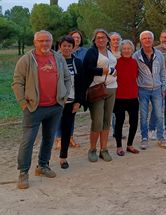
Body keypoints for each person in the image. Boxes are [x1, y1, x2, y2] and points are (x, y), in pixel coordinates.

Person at [12, 30, 71, 189]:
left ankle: (42, 166)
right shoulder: (26, 60)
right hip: (33, 108)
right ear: (35, 42)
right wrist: (23, 103)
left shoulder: (58, 58)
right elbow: (17, 83)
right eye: (41, 41)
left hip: (55, 107)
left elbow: (67, 78)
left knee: (49, 138)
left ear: (52, 42)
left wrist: (63, 98)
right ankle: (23, 173)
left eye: (47, 41)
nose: (44, 44)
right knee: (28, 141)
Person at [83, 29, 117, 163]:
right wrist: (103, 70)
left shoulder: (110, 52)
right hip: (97, 89)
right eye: (98, 38)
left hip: (112, 88)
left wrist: (113, 72)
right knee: (97, 121)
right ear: (94, 40)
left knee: (107, 120)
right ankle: (92, 149)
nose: (101, 40)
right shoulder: (92, 52)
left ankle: (104, 149)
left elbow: (113, 65)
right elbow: (87, 68)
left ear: (108, 39)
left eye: (103, 37)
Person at [133, 31, 166, 150]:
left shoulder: (159, 54)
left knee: (159, 115)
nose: (147, 40)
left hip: (157, 89)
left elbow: (163, 72)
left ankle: (161, 138)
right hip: (143, 90)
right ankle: (144, 138)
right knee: (143, 116)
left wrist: (163, 87)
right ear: (141, 41)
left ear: (153, 40)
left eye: (149, 38)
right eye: (144, 38)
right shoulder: (136, 56)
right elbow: (133, 74)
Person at [54, 30, 87, 150]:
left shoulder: (77, 62)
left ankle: (69, 138)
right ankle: (59, 139)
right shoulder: (54, 61)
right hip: (57, 98)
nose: (67, 48)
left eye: (69, 46)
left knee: (70, 119)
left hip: (72, 98)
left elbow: (81, 83)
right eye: (64, 46)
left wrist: (79, 101)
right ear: (60, 47)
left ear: (73, 47)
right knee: (58, 119)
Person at [114, 40, 140, 155]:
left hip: (133, 97)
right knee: (119, 122)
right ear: (121, 50)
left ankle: (130, 145)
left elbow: (136, 76)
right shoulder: (116, 62)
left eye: (129, 48)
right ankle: (119, 146)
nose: (126, 50)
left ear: (132, 50)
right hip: (119, 97)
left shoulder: (135, 62)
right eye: (124, 48)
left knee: (134, 122)